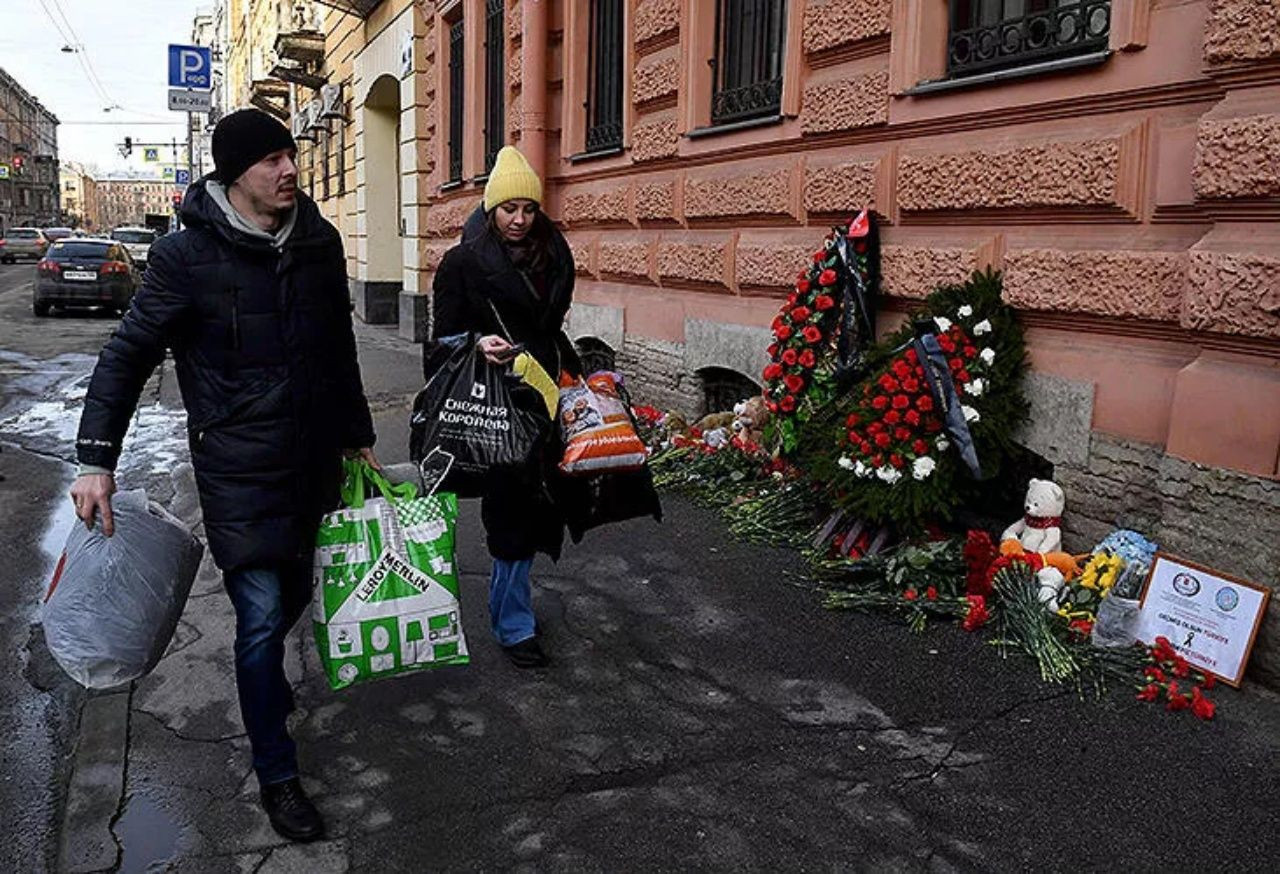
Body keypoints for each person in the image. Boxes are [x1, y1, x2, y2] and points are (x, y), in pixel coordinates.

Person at [70, 108, 376, 844]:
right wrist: (96, 458)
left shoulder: (318, 240)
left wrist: (357, 436)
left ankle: (264, 691)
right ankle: (277, 772)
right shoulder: (185, 257)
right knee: (261, 617)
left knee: (296, 593)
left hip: (311, 459)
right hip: (237, 464)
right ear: (235, 174)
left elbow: (338, 347)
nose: (291, 169)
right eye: (273, 159)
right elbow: (128, 353)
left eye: (291, 155)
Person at [426, 146, 580, 669]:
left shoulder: (554, 255)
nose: (519, 219)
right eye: (509, 208)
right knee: (511, 512)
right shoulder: (464, 263)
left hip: (545, 394)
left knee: (541, 506)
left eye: (529, 209)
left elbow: (550, 330)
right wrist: (476, 344)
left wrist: (576, 376)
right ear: (491, 208)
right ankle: (514, 624)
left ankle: (514, 604)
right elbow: (440, 342)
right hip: (496, 402)